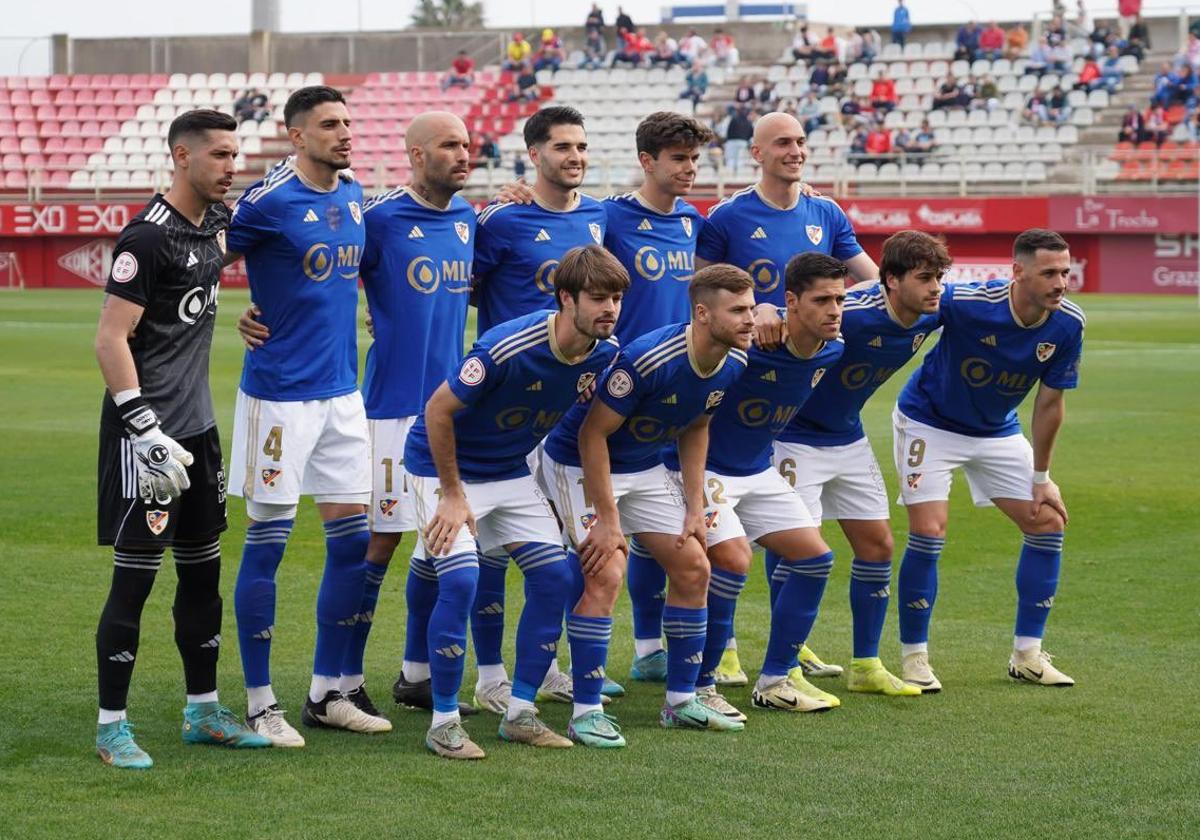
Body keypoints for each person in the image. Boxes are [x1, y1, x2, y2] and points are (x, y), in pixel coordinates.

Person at [92, 109, 269, 769]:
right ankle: (112, 728)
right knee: (135, 581)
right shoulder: (148, 238)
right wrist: (143, 429)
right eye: (220, 156)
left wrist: (252, 315)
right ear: (181, 156)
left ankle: (203, 712)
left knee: (203, 577)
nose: (231, 167)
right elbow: (110, 338)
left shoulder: (218, 225)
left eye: (235, 154)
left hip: (200, 430)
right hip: (148, 436)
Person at [402, 245, 627, 757]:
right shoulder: (507, 347)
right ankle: (442, 721)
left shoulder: (606, 354)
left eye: (616, 297)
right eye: (598, 298)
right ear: (566, 298)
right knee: (461, 579)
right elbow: (438, 412)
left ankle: (521, 713)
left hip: (510, 470)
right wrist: (454, 495)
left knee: (557, 578)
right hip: (442, 468)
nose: (609, 308)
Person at [225, 86, 388, 746]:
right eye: (328, 125)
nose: (343, 133)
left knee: (351, 543)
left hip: (342, 397)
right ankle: (260, 701)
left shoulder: (353, 194)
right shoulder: (266, 203)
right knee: (269, 542)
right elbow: (197, 259)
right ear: (296, 136)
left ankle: (327, 693)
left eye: (347, 122)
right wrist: (227, 313)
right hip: (279, 399)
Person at [693, 111, 877, 682]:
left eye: (800, 141)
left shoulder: (825, 212)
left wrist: (814, 317)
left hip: (796, 377)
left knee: (785, 530)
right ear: (756, 153)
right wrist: (760, 310)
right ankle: (718, 650)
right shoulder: (727, 217)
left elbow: (868, 281)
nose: (795, 151)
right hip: (740, 377)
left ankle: (786, 648)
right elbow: (699, 294)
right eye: (782, 143)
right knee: (718, 534)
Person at [537, 264, 754, 744]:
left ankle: (681, 702)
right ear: (702, 313)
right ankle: (585, 710)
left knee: (696, 566)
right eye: (738, 310)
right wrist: (609, 521)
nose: (750, 320)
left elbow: (697, 426)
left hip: (645, 468)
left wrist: (695, 507)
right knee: (607, 568)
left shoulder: (735, 361)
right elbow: (593, 434)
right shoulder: (650, 359)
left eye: (752, 309)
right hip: (580, 463)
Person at [756, 231, 948, 702]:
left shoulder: (936, 311)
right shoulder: (851, 315)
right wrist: (763, 310)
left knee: (878, 545)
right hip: (793, 439)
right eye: (925, 278)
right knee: (797, 550)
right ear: (889, 282)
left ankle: (865, 664)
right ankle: (786, 664)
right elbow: (785, 320)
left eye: (940, 278)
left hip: (847, 435)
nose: (936, 288)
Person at [893, 229, 1085, 691]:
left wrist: (1042, 477)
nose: (1061, 282)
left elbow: (1049, 404)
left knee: (1047, 520)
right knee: (929, 530)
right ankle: (914, 656)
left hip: (996, 429)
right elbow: (904, 311)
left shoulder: (1068, 325)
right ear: (1017, 271)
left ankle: (1027, 654)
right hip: (928, 422)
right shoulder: (966, 302)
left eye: (1065, 271)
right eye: (1049, 273)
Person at [668, 253, 851, 716]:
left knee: (815, 558)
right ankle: (703, 684)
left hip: (757, 469)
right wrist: (763, 310)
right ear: (791, 302)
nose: (834, 310)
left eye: (840, 300)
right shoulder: (750, 345)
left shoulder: (833, 348)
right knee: (731, 559)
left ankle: (774, 680)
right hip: (705, 470)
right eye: (822, 300)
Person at [472, 107, 608, 337]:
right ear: (534, 155)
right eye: (562, 147)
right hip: (516, 366)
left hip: (580, 365)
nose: (576, 157)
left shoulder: (598, 213)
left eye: (581, 147)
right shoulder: (501, 219)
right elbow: (457, 289)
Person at [722, 106, 754, 173]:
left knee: (730, 160)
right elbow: (751, 134)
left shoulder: (733, 119)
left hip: (732, 141)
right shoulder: (748, 122)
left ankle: (730, 175)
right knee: (740, 161)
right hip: (742, 142)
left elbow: (729, 131)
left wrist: (728, 140)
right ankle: (738, 175)